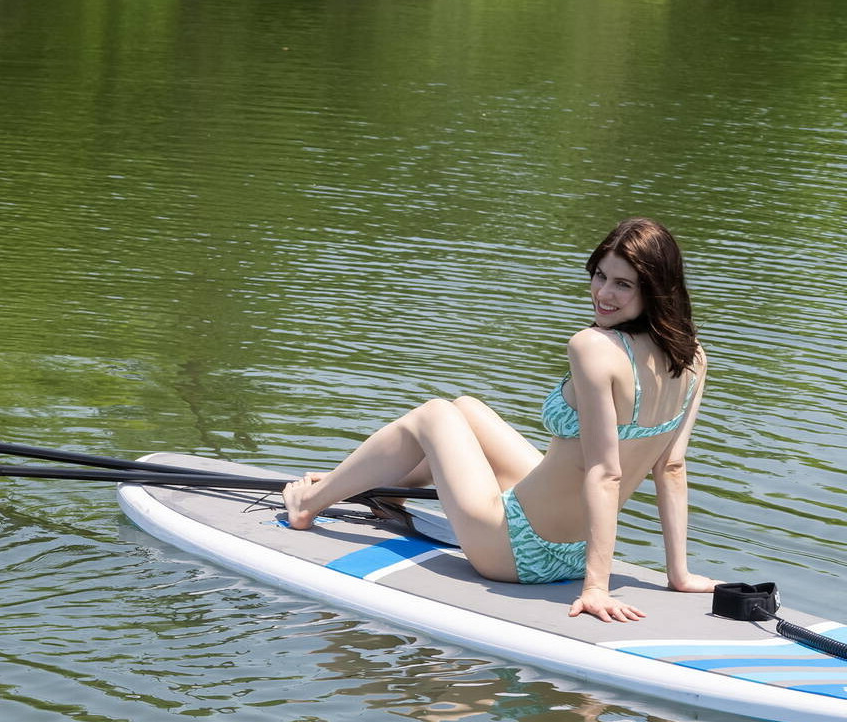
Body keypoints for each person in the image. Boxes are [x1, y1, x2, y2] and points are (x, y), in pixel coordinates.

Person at [282, 218, 714, 623]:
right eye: (600, 275)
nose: (603, 293)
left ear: (655, 290)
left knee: (435, 415)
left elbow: (605, 474)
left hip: (516, 552)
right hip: (578, 547)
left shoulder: (594, 347)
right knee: (467, 408)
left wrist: (596, 588)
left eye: (623, 284)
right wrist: (679, 574)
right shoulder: (692, 357)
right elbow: (671, 468)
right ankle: (383, 489)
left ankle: (306, 506)